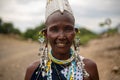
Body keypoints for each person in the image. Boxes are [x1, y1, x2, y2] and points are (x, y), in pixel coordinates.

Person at [25, 0, 99, 80]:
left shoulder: (89, 68)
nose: (61, 36)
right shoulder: (33, 71)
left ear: (75, 32)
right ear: (46, 34)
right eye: (54, 29)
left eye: (68, 29)